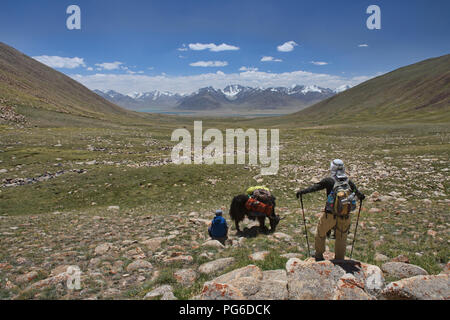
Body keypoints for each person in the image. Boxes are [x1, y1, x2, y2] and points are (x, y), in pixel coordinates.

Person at [296, 159, 365, 261]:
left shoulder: (329, 181)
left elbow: (315, 188)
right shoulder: (348, 182)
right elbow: (357, 193)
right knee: (341, 238)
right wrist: (361, 196)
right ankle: (340, 259)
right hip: (344, 216)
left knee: (320, 233)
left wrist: (301, 192)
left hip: (330, 215)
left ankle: (319, 255)